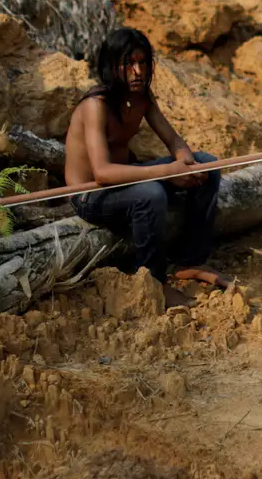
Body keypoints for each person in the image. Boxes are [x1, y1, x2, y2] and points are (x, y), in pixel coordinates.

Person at [65, 27, 225, 287]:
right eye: (128, 64)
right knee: (151, 194)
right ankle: (153, 281)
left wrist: (186, 165)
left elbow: (173, 140)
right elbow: (102, 173)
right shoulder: (95, 106)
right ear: (111, 66)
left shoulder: (142, 98)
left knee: (207, 165)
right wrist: (166, 173)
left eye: (142, 63)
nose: (137, 72)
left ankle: (190, 261)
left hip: (125, 180)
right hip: (90, 194)